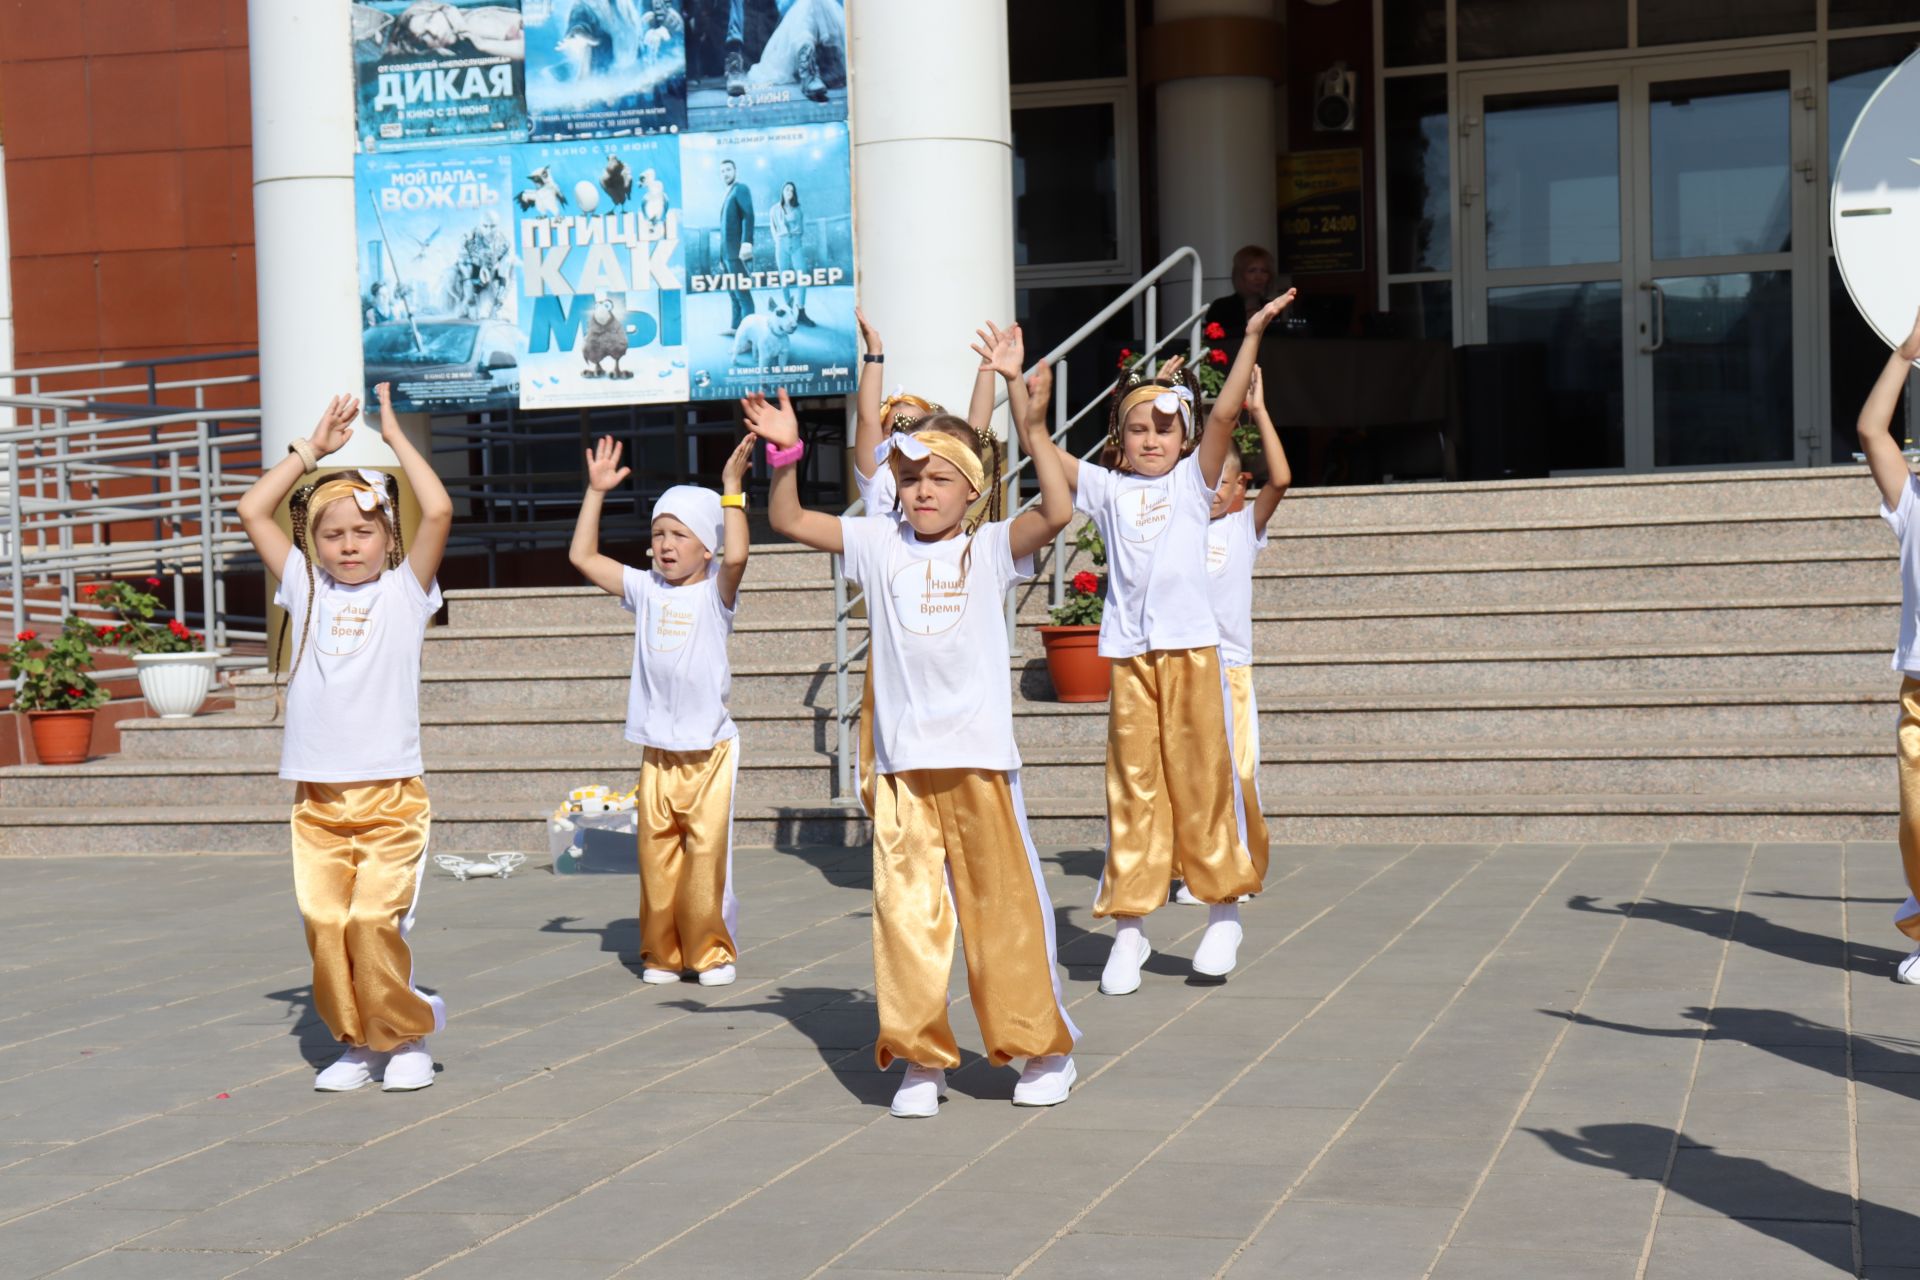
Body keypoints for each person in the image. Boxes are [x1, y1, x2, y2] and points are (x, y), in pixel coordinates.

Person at [742, 353, 1079, 1119]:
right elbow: (791, 520)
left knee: (1003, 913)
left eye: (938, 478)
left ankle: (1041, 1049)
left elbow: (1056, 512)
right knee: (907, 915)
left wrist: (1031, 424)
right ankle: (921, 1058)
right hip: (901, 766)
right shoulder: (878, 543)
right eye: (910, 477)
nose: (922, 491)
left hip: (980, 761)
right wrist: (788, 454)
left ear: (972, 489)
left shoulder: (991, 548)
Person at [1044, 289, 1297, 996]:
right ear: (1119, 439)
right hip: (1131, 660)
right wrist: (1019, 401)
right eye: (1138, 429)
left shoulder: (1194, 484)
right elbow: (1049, 454)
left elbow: (1222, 413)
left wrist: (1250, 337)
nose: (1152, 438)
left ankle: (1224, 911)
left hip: (1193, 655)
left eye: (1164, 428)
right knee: (1132, 793)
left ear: (1186, 440)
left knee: (1204, 782)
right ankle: (1129, 927)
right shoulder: (1107, 489)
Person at [235, 383, 454, 1093]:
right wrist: (310, 451)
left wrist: (394, 440)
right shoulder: (306, 587)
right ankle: (357, 1043)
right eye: (333, 534)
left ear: (388, 537)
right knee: (327, 924)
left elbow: (441, 510)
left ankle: (409, 1031)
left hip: (390, 796)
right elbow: (252, 509)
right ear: (313, 544)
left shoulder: (405, 593)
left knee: (370, 920)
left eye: (362, 532)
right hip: (318, 799)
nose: (348, 545)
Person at [568, 434, 755, 986]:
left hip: (710, 752)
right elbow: (582, 556)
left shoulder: (716, 593)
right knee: (656, 857)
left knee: (704, 859)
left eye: (681, 535)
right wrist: (595, 492)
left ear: (707, 548)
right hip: (658, 750)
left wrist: (731, 493)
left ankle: (711, 953)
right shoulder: (645, 588)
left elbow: (740, 553)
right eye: (659, 534)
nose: (667, 544)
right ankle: (663, 954)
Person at [845, 310, 1030, 818]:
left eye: (911, 417)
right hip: (900, 617)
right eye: (894, 420)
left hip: (945, 598)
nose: (899, 425)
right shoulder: (882, 480)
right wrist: (875, 356)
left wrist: (989, 369)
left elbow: (974, 432)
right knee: (889, 737)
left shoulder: (941, 476)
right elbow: (863, 421)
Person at [1173, 363, 1289, 905]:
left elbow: (1282, 480)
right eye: (1207, 480)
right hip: (1186, 667)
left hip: (1231, 671)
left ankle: (1239, 867)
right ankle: (1202, 866)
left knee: (1239, 772)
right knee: (1196, 774)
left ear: (1240, 485)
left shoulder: (1244, 528)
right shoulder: (1176, 527)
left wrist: (1259, 411)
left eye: (1224, 480)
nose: (1212, 491)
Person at [1855, 304, 1920, 981]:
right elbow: (1873, 428)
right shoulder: (1913, 506)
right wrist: (1905, 354)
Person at [1203, 245, 1279, 339]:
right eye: (1252, 271)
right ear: (1239, 275)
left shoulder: (1272, 307)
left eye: (1264, 271)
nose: (1258, 277)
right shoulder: (1221, 307)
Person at [717, 159, 757, 336]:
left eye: (728, 170)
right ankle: (736, 328)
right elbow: (725, 229)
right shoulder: (727, 192)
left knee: (742, 293)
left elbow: (748, 215)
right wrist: (721, 258)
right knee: (733, 293)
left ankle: (750, 335)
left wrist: (747, 243)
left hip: (737, 253)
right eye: (723, 171)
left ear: (735, 171)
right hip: (726, 254)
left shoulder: (741, 189)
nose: (725, 173)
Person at [768, 182, 813, 326]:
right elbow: (773, 228)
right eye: (787, 189)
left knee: (803, 276)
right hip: (781, 243)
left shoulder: (798, 209)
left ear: (794, 194)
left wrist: (796, 239)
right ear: (782, 191)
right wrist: (779, 242)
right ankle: (789, 310)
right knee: (784, 277)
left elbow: (803, 226)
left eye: (792, 190)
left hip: (796, 242)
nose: (789, 192)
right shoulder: (774, 209)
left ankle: (801, 310)